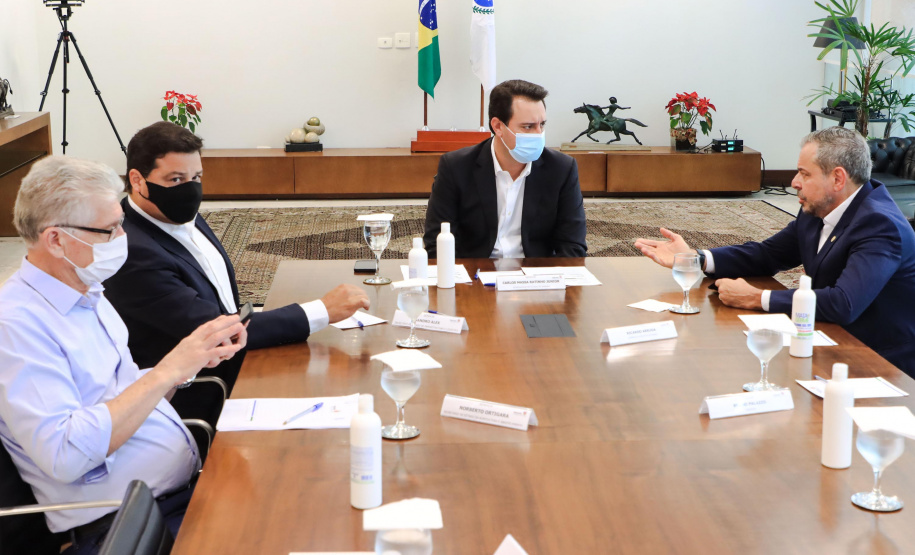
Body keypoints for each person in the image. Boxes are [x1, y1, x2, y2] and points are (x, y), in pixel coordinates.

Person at [0, 156, 247, 553]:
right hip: (123, 527)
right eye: (110, 229)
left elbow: (125, 393)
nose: (123, 237)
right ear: (56, 240)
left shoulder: (88, 290)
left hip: (177, 493)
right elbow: (65, 453)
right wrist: (168, 370)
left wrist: (189, 363)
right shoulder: (16, 326)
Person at [103, 122, 369, 403]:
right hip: (199, 390)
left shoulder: (173, 212)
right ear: (137, 180)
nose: (190, 190)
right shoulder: (133, 254)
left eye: (197, 177)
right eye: (176, 180)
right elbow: (216, 332)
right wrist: (323, 310)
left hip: (236, 355)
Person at [634, 127, 915, 376]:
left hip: (878, 361)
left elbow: (844, 303)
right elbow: (768, 254)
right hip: (828, 337)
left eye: (805, 174)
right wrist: (696, 258)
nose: (794, 182)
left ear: (838, 179)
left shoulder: (880, 225)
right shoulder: (818, 207)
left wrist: (757, 298)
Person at [423, 79, 587, 259]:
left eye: (542, 125)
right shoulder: (456, 167)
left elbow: (573, 246)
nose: (538, 134)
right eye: (528, 127)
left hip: (536, 271)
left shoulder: (562, 169)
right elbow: (436, 243)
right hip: (475, 270)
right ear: (498, 126)